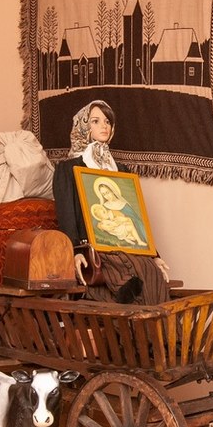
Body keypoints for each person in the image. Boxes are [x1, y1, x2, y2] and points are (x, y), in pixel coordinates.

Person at [52, 100, 171, 304]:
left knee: (151, 272)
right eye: (96, 121)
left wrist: (153, 254)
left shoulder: (120, 170)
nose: (104, 126)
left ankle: (159, 323)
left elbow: (135, 215)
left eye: (107, 121)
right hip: (93, 247)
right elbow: (66, 214)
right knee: (122, 271)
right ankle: (135, 314)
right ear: (84, 126)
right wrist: (75, 251)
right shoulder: (68, 168)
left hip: (125, 243)